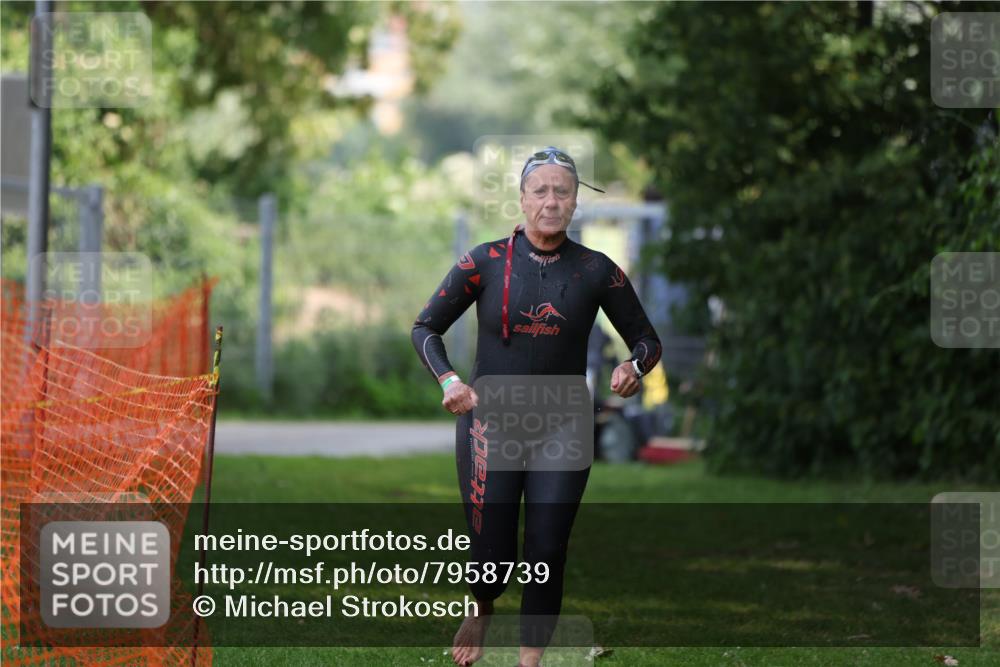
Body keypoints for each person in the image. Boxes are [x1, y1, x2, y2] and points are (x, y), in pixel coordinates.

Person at [411, 147, 662, 667]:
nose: (551, 201)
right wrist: (449, 380)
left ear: (575, 202)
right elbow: (425, 327)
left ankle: (529, 662)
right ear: (523, 199)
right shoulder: (484, 261)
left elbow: (647, 340)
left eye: (562, 192)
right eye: (541, 191)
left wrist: (633, 367)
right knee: (492, 555)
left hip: (564, 424)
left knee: (547, 549)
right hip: (491, 422)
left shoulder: (595, 270)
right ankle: (483, 605)